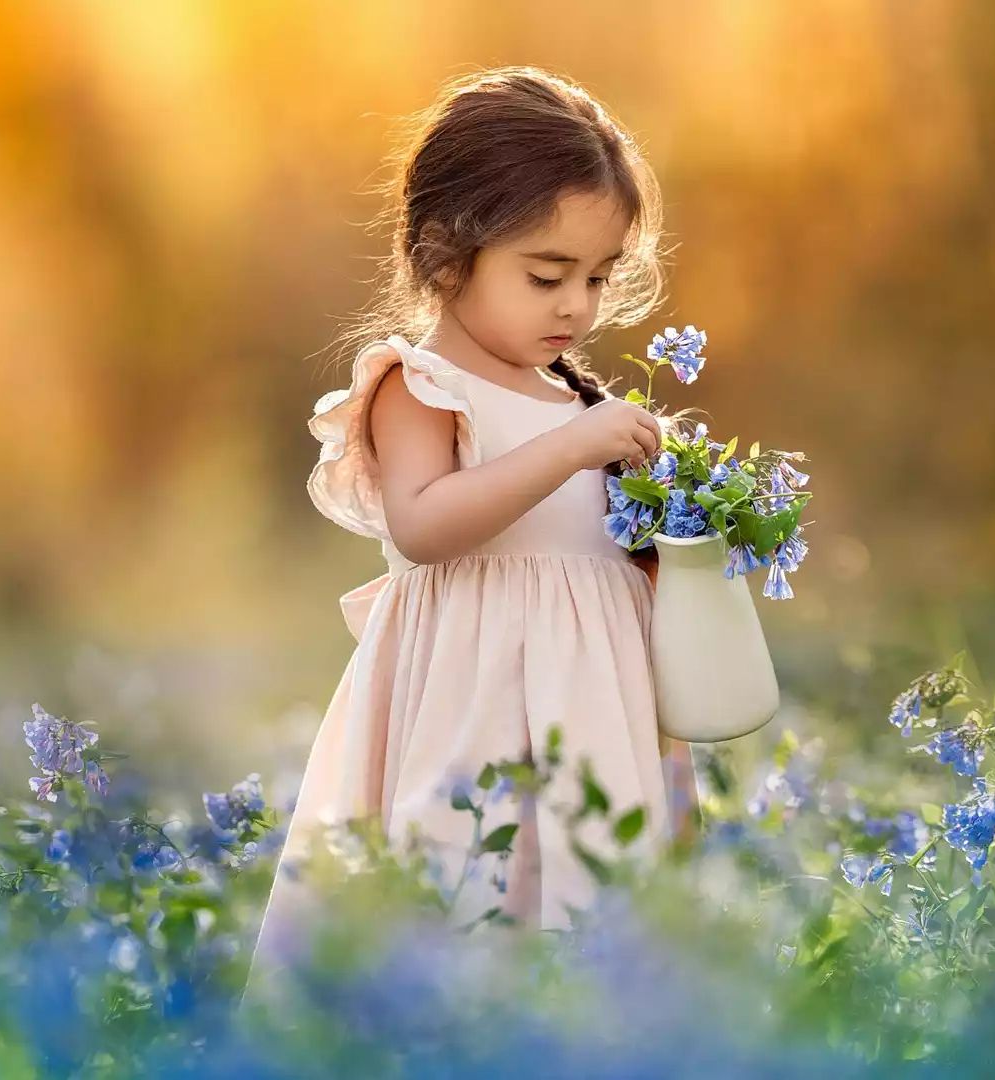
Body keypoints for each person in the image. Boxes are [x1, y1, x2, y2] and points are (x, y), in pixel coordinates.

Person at [248, 66, 699, 987]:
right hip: (476, 703)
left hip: (590, 704)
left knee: (594, 929)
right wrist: (575, 447)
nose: (577, 305)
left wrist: (680, 526)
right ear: (448, 254)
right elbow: (425, 525)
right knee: (469, 909)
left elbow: (597, 559)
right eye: (547, 275)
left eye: (600, 277)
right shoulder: (420, 388)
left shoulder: (576, 400)